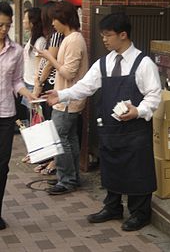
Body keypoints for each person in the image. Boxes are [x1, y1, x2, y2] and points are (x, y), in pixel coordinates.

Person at [44, 12, 161, 231]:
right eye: (103, 35)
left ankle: (140, 213)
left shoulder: (144, 63)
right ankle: (112, 207)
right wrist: (60, 95)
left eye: (108, 35)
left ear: (123, 35)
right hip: (111, 128)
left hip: (136, 130)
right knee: (111, 168)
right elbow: (85, 86)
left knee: (137, 171)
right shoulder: (104, 63)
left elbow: (154, 96)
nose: (104, 40)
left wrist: (138, 110)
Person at [38, 0, 88, 195]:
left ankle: (66, 180)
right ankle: (70, 177)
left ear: (63, 19)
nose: (52, 24)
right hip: (66, 98)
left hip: (67, 100)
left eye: (54, 20)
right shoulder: (71, 38)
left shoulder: (74, 40)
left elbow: (68, 73)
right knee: (69, 139)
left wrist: (49, 57)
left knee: (60, 139)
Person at [0, 1, 35, 230]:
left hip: (5, 114)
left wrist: (28, 95)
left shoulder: (17, 51)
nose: (4, 29)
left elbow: (16, 81)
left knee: (2, 166)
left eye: (7, 25)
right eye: (0, 25)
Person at [31, 1, 63, 174]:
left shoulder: (57, 36)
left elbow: (50, 62)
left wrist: (39, 82)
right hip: (46, 82)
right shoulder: (51, 35)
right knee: (46, 122)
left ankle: (53, 160)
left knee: (50, 123)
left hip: (50, 83)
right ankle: (48, 157)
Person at [21, 7, 46, 121]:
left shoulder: (40, 41)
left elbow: (40, 66)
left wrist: (37, 87)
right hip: (27, 82)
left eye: (25, 18)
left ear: (32, 22)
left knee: (34, 118)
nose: (23, 21)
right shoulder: (32, 38)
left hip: (33, 85)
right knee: (29, 117)